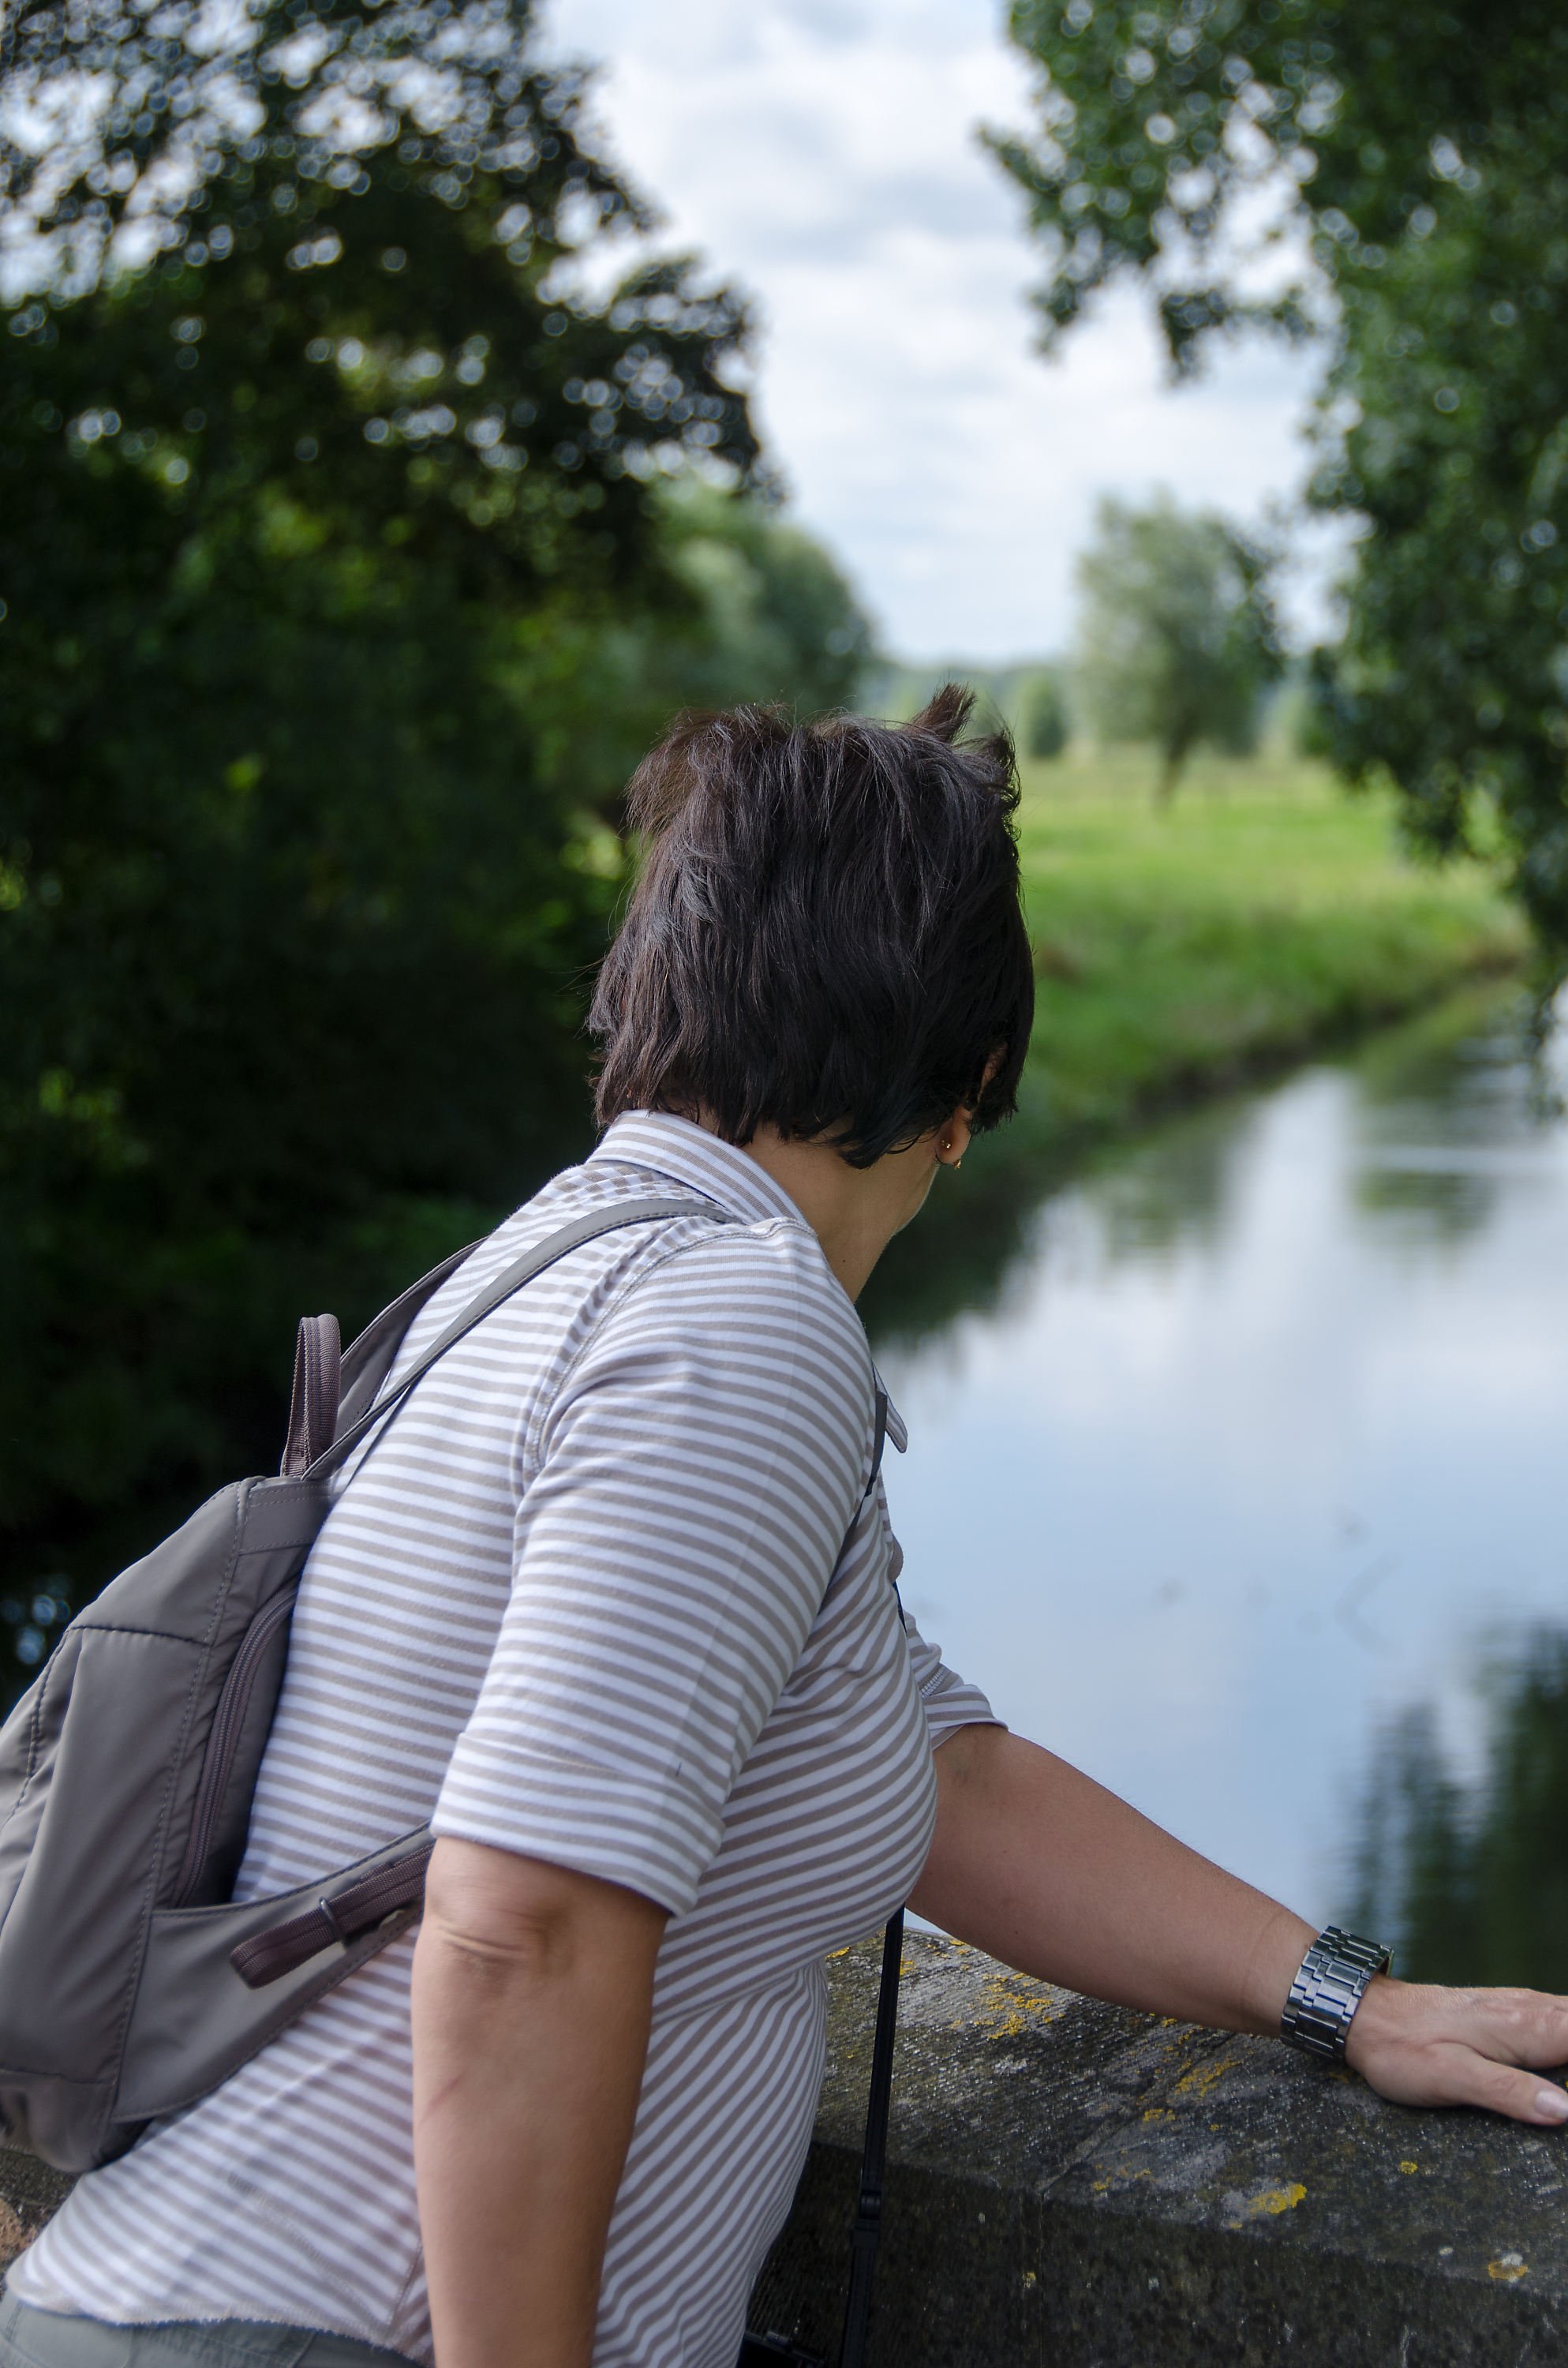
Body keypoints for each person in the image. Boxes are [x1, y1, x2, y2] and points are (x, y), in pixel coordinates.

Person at [5, 690, 1568, 2368]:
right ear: (971, 1082)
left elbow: (939, 1772)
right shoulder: (740, 1326)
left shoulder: (533, 1275)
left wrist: (1343, 1996)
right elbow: (522, 1928)